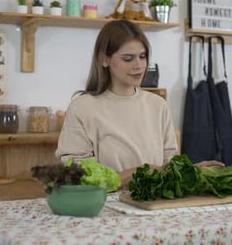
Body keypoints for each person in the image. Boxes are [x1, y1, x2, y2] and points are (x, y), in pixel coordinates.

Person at [55, 20, 222, 186]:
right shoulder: (82, 107)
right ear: (104, 59)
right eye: (128, 59)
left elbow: (169, 166)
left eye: (143, 57)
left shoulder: (158, 105)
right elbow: (78, 177)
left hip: (153, 205)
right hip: (103, 207)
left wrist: (194, 171)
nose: (139, 65)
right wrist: (142, 171)